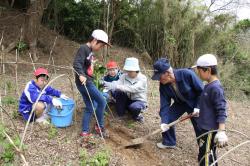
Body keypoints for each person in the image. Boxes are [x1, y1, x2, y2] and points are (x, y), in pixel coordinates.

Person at [151, 58, 203, 149]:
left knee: (200, 127)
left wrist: (198, 107)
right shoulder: (163, 85)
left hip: (195, 102)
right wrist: (164, 122)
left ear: (167, 73)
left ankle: (204, 149)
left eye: (159, 76)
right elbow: (164, 105)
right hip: (180, 103)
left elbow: (201, 91)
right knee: (168, 118)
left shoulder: (187, 74)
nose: (158, 79)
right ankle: (169, 142)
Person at [73, 29, 111, 139]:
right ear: (95, 40)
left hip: (86, 83)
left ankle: (84, 131)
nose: (101, 48)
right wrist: (81, 74)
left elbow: (85, 64)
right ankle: (99, 127)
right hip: (85, 83)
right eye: (101, 45)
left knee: (90, 107)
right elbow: (76, 63)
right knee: (102, 101)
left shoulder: (89, 51)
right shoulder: (83, 48)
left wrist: (91, 65)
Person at [195, 54, 228, 166]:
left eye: (199, 71)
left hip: (209, 131)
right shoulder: (208, 85)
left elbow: (221, 109)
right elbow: (208, 104)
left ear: (208, 70)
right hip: (204, 128)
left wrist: (221, 131)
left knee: (205, 156)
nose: (198, 74)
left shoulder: (216, 88)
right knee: (206, 154)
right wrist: (199, 110)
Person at [103, 57, 147, 122]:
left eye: (130, 71)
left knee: (135, 107)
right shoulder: (124, 76)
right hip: (128, 99)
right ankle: (121, 114)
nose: (128, 73)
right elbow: (116, 83)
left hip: (138, 101)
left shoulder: (142, 78)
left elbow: (133, 89)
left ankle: (136, 116)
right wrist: (105, 83)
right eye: (127, 70)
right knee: (119, 92)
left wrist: (118, 86)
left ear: (136, 70)